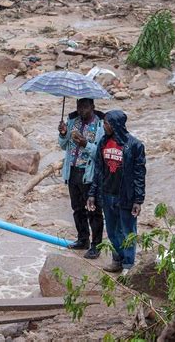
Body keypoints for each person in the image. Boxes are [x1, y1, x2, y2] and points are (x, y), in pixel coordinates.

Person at [87, 110, 146, 275]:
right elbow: (98, 171)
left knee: (128, 231)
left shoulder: (134, 146)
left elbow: (139, 175)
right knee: (112, 231)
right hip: (106, 194)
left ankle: (128, 265)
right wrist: (92, 194)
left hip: (126, 196)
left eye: (106, 123)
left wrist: (138, 200)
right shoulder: (103, 143)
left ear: (115, 125)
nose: (103, 126)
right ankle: (117, 260)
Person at [58, 98, 105, 259]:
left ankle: (96, 245)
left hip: (89, 173)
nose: (81, 110)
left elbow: (100, 154)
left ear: (92, 106)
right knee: (77, 209)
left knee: (94, 211)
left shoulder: (101, 125)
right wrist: (63, 133)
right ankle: (82, 239)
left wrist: (85, 144)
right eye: (79, 107)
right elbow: (64, 146)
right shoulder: (73, 121)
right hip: (72, 170)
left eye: (84, 107)